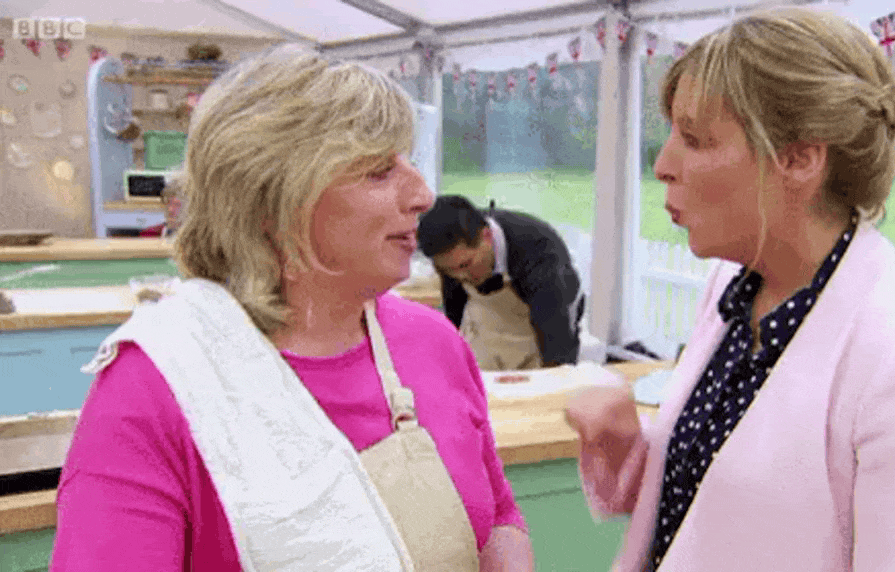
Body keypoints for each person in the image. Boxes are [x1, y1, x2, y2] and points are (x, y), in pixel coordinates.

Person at [52, 44, 534, 572]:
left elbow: (498, 515)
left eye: (408, 163)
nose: (422, 194)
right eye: (378, 171)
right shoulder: (156, 385)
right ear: (273, 201)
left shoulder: (433, 343)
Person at [565, 7, 895, 571]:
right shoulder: (735, 285)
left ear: (799, 159)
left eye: (695, 140)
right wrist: (626, 443)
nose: (663, 164)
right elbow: (716, 505)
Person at [417, 195, 585, 370]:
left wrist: (554, 377)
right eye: (448, 270)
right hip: (489, 327)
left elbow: (557, 343)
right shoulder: (450, 245)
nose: (460, 277)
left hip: (546, 324)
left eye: (465, 265)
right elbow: (455, 313)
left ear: (487, 236)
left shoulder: (539, 255)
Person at [139, 172, 182, 238]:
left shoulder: (196, 237)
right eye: (168, 203)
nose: (170, 209)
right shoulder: (149, 234)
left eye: (177, 204)